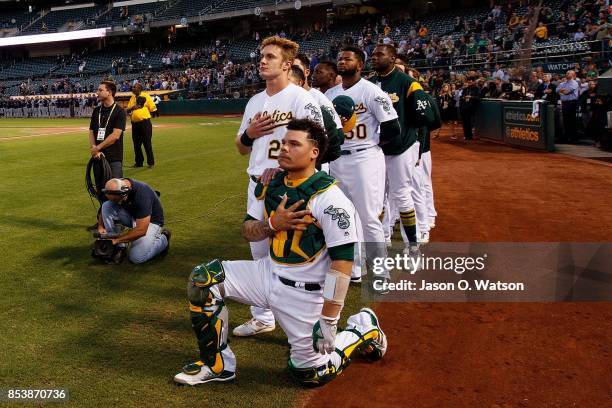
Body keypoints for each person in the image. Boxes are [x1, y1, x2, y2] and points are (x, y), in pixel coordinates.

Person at [173, 118, 387, 386]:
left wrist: (330, 319)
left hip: (305, 292)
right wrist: (273, 224)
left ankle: (361, 327)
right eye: (283, 142)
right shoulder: (270, 183)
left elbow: (341, 263)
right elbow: (247, 229)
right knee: (203, 279)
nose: (283, 148)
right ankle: (217, 365)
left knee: (309, 374)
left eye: (293, 144)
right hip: (268, 273)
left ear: (314, 153)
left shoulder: (331, 200)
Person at [232, 36, 324, 337]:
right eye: (261, 55)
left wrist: (285, 167)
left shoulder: (301, 99)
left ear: (286, 64)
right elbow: (241, 148)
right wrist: (249, 132)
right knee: (258, 250)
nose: (262, 60)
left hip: (288, 186)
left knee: (291, 255)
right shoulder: (255, 101)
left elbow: (317, 145)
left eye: (270, 56)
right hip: (257, 184)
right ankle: (263, 316)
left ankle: (302, 320)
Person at [325, 46, 400, 263]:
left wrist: (372, 144)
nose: (341, 61)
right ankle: (355, 267)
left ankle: (379, 271)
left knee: (368, 218)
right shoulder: (330, 94)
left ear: (359, 65)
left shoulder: (372, 91)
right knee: (342, 215)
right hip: (338, 159)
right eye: (339, 58)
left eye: (347, 58)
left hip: (364, 158)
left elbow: (392, 127)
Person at [370, 44, 433, 251]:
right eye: (373, 54)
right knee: (377, 198)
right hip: (376, 150)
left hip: (401, 148)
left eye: (380, 54)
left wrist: (415, 143)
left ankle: (411, 245)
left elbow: (425, 117)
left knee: (402, 195)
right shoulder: (369, 84)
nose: (375, 57)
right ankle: (382, 239)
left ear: (392, 58)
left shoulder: (409, 83)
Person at [98, 178, 170, 264]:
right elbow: (104, 207)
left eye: (116, 200)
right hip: (133, 217)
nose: (116, 202)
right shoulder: (115, 187)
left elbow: (141, 230)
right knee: (107, 205)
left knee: (137, 257)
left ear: (124, 193)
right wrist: (101, 227)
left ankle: (164, 239)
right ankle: (120, 248)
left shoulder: (142, 194)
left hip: (151, 222)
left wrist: (116, 240)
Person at [87, 81, 126, 229]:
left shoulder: (119, 111)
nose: (97, 92)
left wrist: (98, 148)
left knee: (115, 192)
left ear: (109, 92)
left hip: (113, 157)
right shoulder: (96, 111)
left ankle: (119, 221)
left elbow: (116, 135)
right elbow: (91, 132)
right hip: (98, 158)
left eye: (100, 90)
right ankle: (103, 221)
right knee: (101, 191)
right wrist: (93, 148)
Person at [127, 83, 157, 168]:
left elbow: (153, 108)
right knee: (136, 144)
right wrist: (133, 108)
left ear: (139, 88)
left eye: (134, 87)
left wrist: (151, 114)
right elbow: (128, 110)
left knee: (147, 143)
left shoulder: (146, 96)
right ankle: (139, 163)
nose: (132, 88)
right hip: (135, 124)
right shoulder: (132, 98)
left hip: (144, 123)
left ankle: (151, 163)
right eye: (132, 87)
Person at [557, 70, 580, 143]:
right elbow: (556, 90)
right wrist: (562, 90)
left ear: (573, 74)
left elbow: (567, 92)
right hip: (564, 103)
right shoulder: (563, 83)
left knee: (571, 121)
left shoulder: (574, 83)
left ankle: (573, 138)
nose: (566, 74)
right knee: (565, 121)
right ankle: (566, 137)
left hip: (571, 103)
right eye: (566, 73)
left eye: (568, 73)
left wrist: (562, 91)